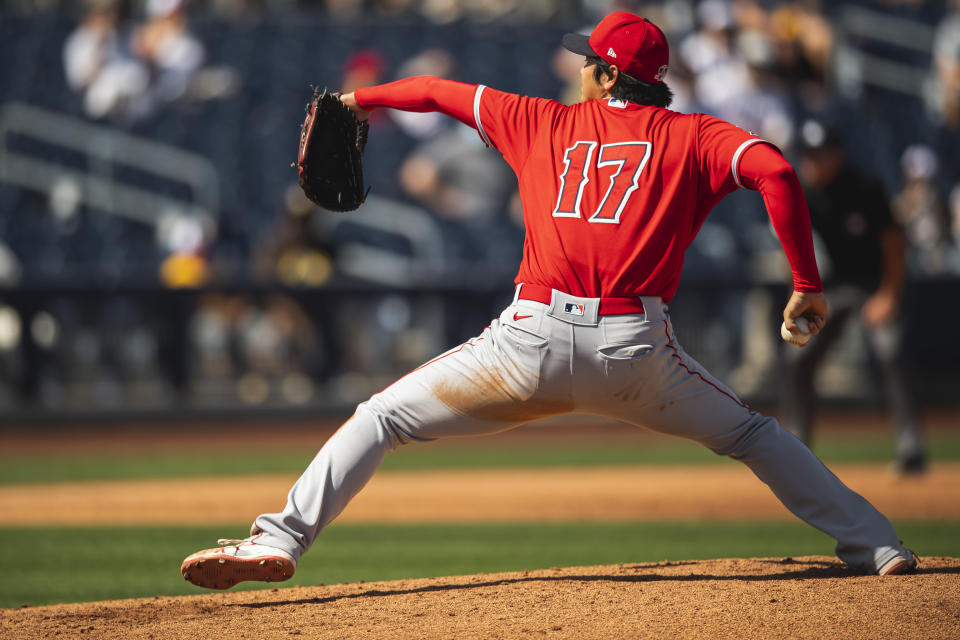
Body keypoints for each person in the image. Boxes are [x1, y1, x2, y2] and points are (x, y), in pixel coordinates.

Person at [181, 12, 917, 589]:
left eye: (588, 61)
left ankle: (279, 538)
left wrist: (356, 98)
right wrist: (806, 284)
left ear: (603, 76)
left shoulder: (544, 120)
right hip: (637, 352)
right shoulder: (696, 136)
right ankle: (875, 543)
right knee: (756, 437)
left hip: (528, 342)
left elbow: (436, 93)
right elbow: (779, 173)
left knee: (380, 418)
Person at [782, 120, 927, 475]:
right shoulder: (805, 193)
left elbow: (894, 245)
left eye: (821, 155)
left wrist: (889, 295)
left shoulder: (864, 186)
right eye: (809, 155)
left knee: (890, 353)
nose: (813, 163)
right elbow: (795, 250)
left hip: (873, 284)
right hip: (830, 288)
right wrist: (798, 297)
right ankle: (795, 448)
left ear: (838, 156)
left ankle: (911, 448)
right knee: (799, 359)